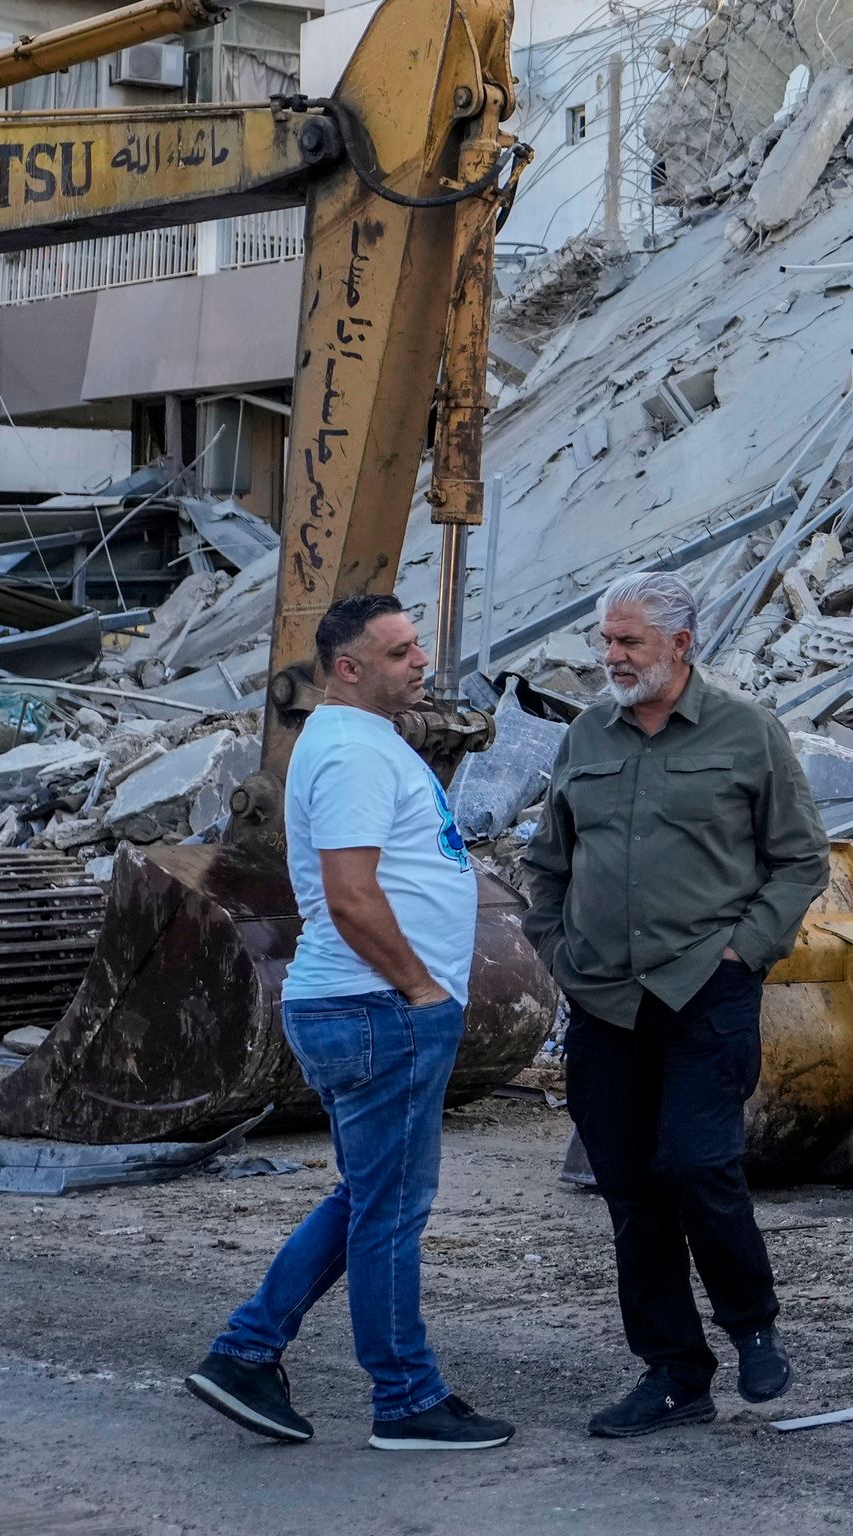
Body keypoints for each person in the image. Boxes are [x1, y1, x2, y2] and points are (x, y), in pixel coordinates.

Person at [188, 596, 514, 1455]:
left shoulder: (366, 743)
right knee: (391, 1213)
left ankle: (246, 1352)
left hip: (370, 1010)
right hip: (378, 1010)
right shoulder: (351, 754)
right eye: (401, 651)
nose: (421, 663)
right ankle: (406, 1398)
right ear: (348, 668)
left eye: (418, 647)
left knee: (368, 1198)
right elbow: (350, 893)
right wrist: (422, 990)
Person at [518, 569, 826, 1440]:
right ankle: (673, 1372)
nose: (611, 658)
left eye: (629, 643)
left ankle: (753, 1326)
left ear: (680, 646)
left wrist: (744, 953)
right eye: (606, 642)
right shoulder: (586, 735)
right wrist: (555, 951)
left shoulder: (746, 733)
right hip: (603, 1001)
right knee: (628, 1186)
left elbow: (801, 859)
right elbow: (547, 861)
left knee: (699, 1164)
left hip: (704, 993)